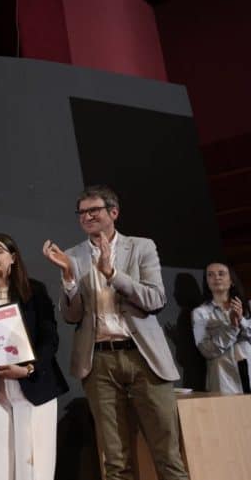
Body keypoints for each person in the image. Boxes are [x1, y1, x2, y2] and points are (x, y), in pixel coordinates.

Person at [42, 185, 188, 480]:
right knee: (115, 461)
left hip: (144, 359)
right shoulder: (72, 255)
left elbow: (155, 300)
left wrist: (112, 274)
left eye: (93, 210)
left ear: (113, 212)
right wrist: (69, 279)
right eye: (82, 212)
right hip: (99, 363)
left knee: (168, 455)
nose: (87, 217)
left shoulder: (140, 247)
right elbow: (71, 316)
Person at [0, 233, 68, 480]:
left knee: (34, 462)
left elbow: (50, 338)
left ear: (13, 258)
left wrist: (29, 368)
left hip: (34, 384)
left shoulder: (34, 290)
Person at [192, 261, 251, 394]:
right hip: (223, 379)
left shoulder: (248, 306)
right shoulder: (200, 313)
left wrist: (241, 319)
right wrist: (232, 327)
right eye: (210, 275)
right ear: (207, 282)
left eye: (221, 273)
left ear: (232, 280)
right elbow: (206, 350)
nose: (216, 277)